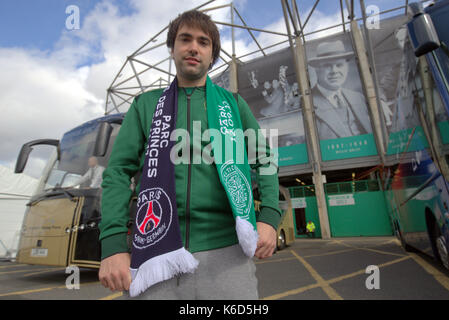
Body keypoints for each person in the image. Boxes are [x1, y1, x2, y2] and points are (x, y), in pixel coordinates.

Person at [98, 10, 281, 300]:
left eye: (203, 42)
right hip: (153, 253)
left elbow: (264, 159)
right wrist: (113, 244)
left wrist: (269, 217)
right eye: (185, 39)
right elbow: (118, 172)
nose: (193, 47)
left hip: (227, 254)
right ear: (172, 49)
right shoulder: (145, 105)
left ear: (212, 56)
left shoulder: (233, 104)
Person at [308, 40, 372, 140]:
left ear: (347, 67)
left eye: (339, 65)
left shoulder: (358, 97)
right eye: (327, 66)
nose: (334, 71)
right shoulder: (308, 103)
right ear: (317, 69)